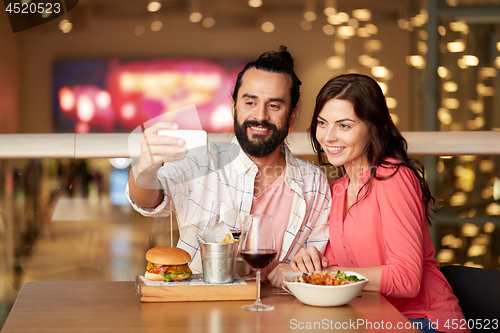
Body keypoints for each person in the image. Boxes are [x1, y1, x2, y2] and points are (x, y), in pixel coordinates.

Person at [126, 46, 330, 283]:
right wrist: (145, 169)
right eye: (250, 103)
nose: (261, 116)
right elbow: (147, 201)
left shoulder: (314, 182)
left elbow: (316, 263)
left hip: (283, 311)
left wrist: (301, 271)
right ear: (234, 107)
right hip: (202, 311)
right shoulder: (201, 160)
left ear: (292, 116)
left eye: (274, 106)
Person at [291, 74, 468, 333]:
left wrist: (330, 275)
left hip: (423, 321)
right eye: (322, 123)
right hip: (372, 320)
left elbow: (406, 279)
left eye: (344, 126)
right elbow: (337, 267)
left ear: (372, 127)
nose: (328, 137)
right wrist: (311, 260)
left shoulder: (393, 176)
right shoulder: (337, 189)